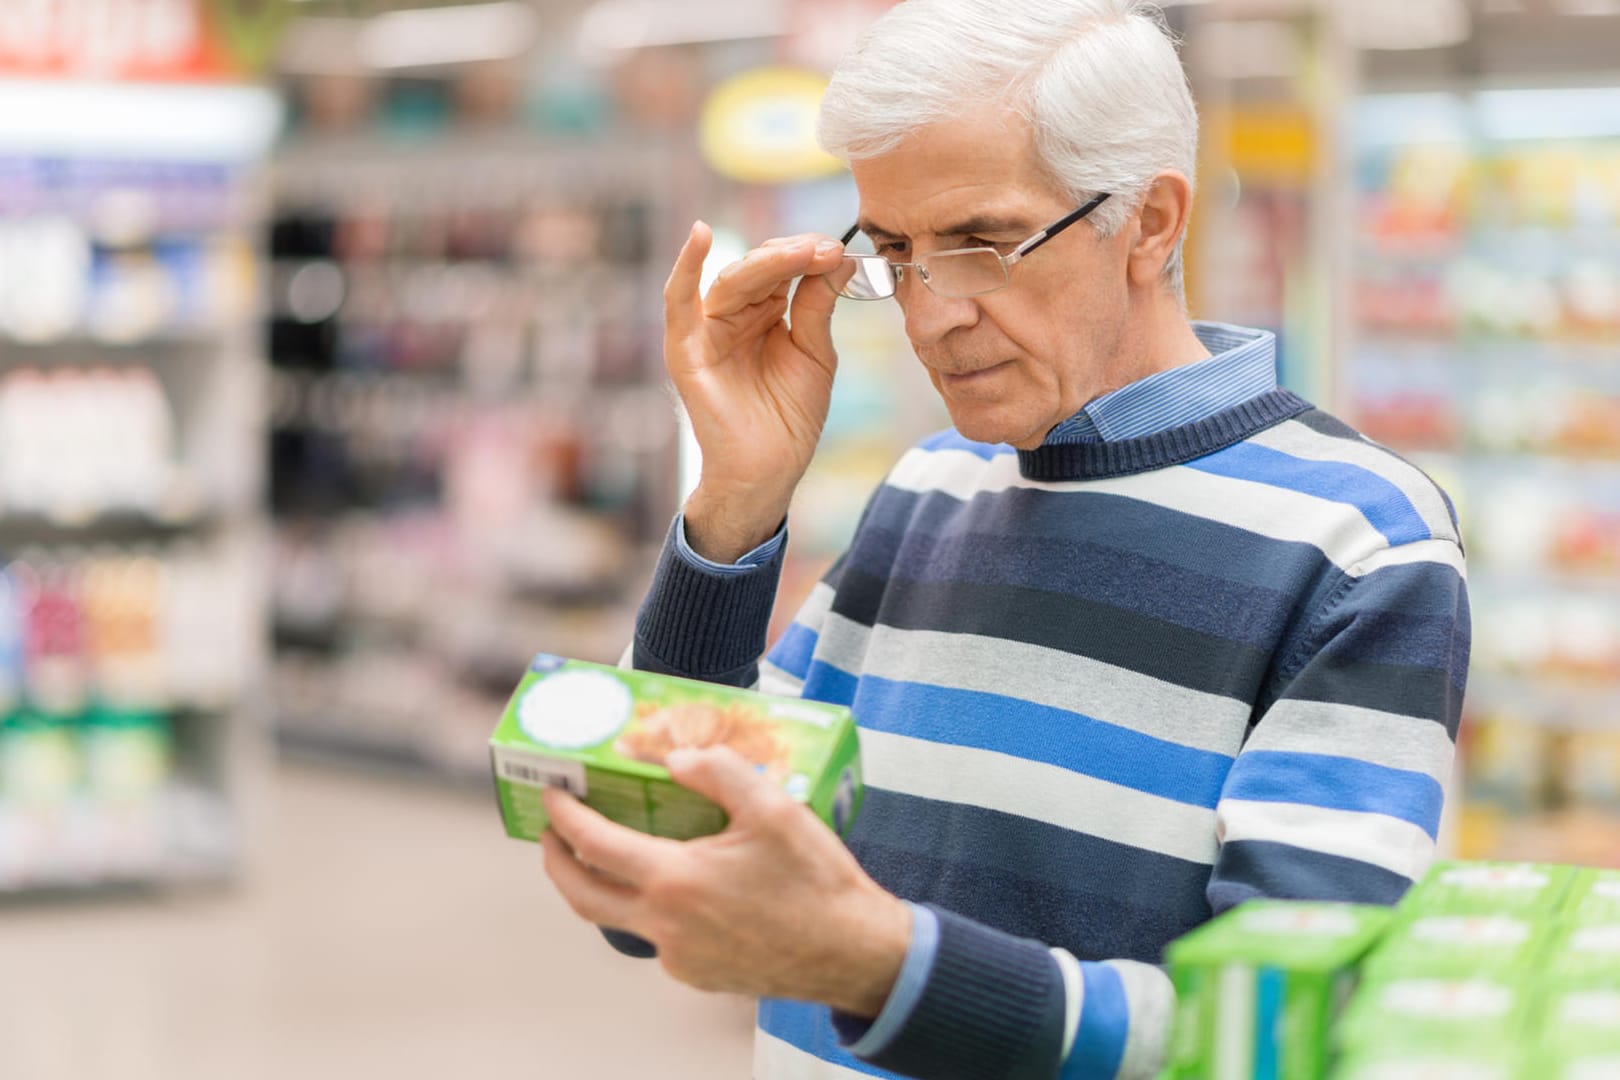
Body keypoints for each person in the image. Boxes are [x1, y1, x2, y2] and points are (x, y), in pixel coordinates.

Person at [536, 1, 1471, 1077]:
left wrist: (881, 970)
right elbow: (659, 880)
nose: (931, 317)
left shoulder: (1359, 542)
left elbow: (1284, 1039)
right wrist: (735, 503)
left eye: (980, 245)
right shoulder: (931, 488)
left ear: (1152, 222)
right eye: (895, 253)